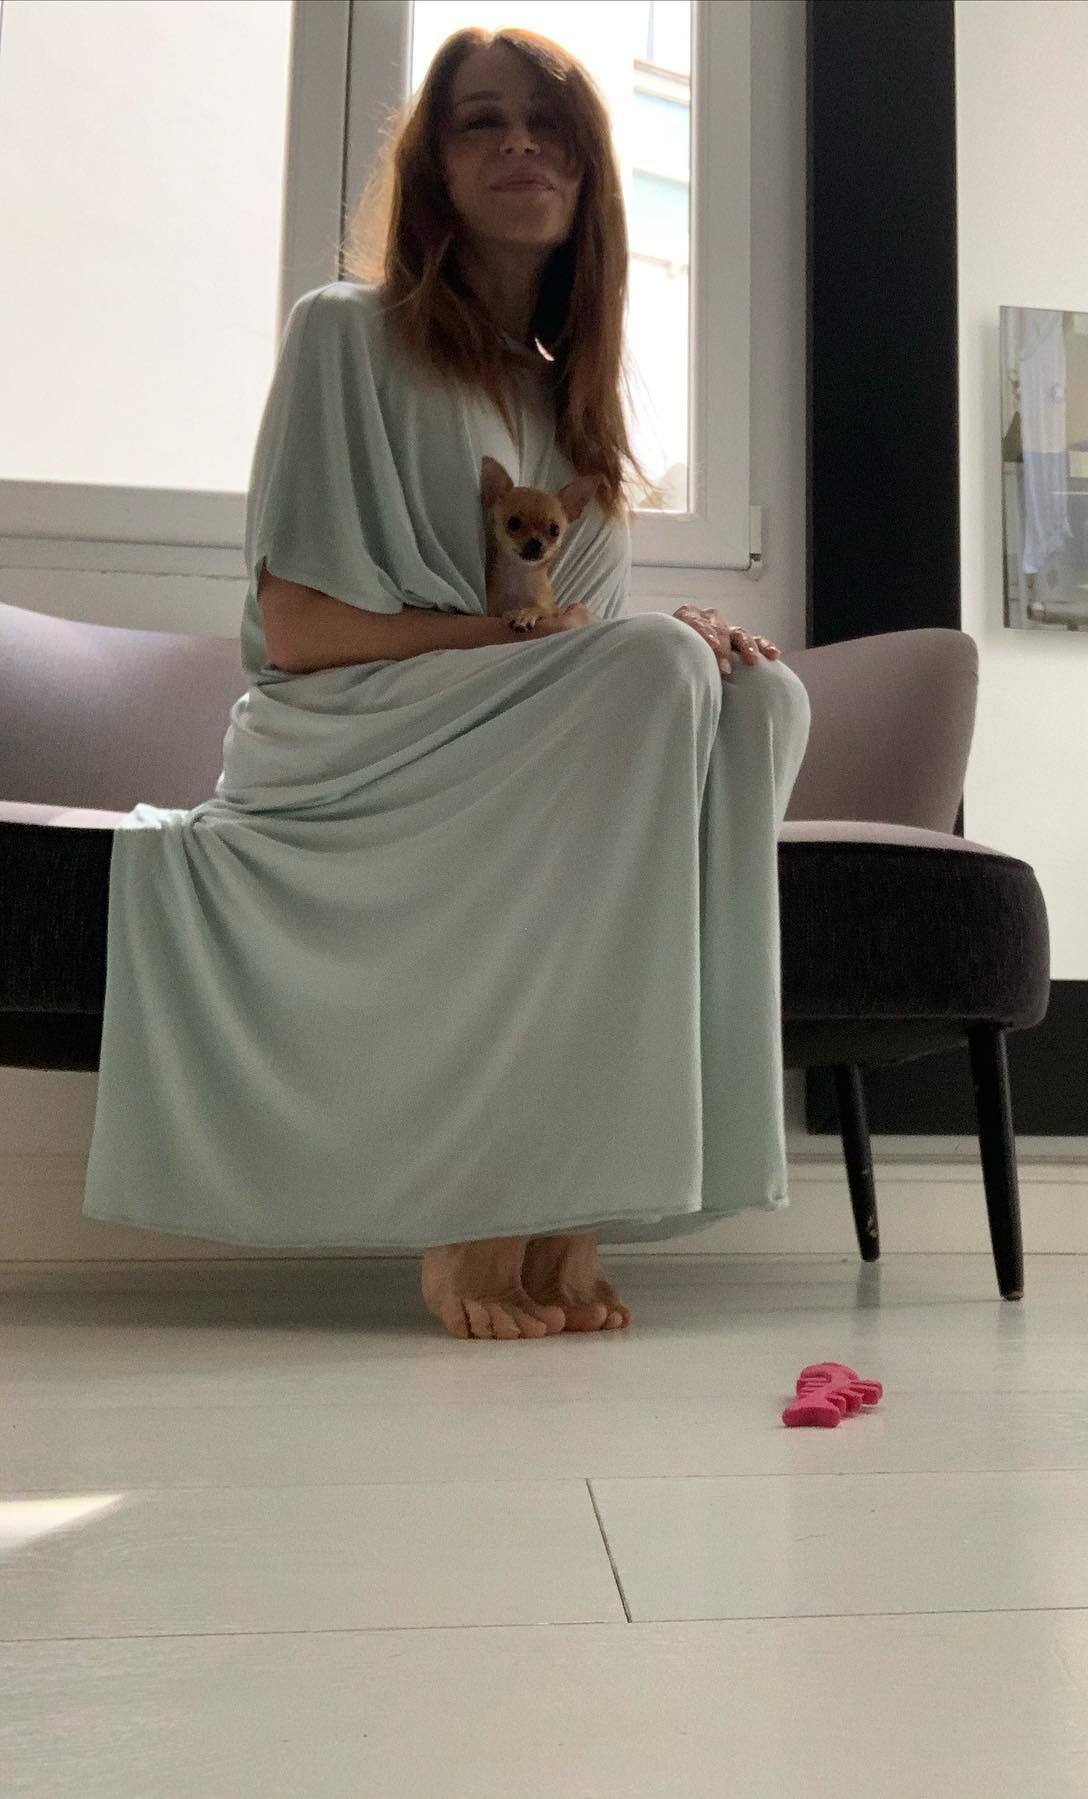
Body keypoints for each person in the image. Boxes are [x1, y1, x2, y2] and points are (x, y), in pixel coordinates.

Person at [80, 26, 812, 1341]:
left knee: (762, 698)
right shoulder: (345, 333)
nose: (522, 144)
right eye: (483, 120)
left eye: (551, 125)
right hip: (348, 729)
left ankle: (582, 1181)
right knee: (654, 660)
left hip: (492, 734)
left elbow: (587, 655)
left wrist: (680, 638)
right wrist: (556, 644)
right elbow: (297, 628)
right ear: (434, 164)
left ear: (588, 171)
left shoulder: (573, 407)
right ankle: (493, 1190)